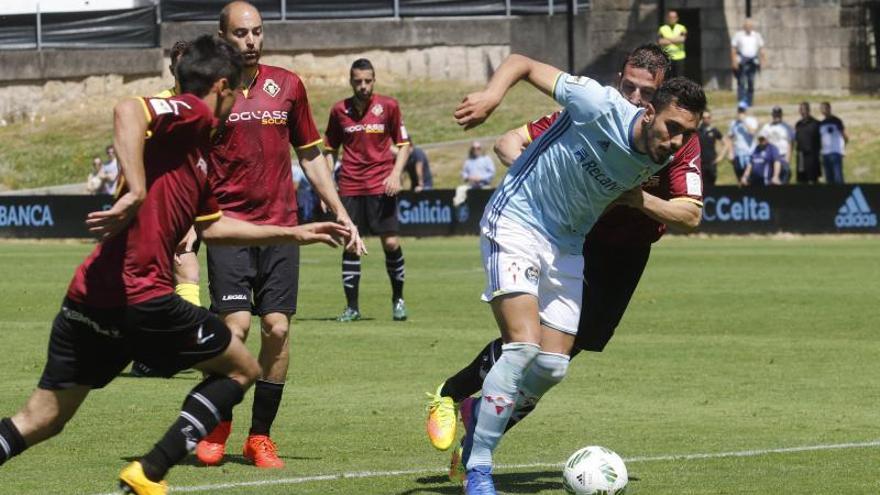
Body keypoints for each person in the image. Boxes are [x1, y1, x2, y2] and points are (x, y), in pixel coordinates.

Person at [0, 35, 351, 495]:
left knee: (42, 419)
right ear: (223, 87)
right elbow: (128, 109)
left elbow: (214, 226)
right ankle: (149, 471)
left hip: (89, 297)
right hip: (140, 296)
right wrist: (138, 189)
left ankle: (147, 472)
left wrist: (295, 232)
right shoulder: (193, 112)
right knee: (242, 368)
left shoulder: (199, 152)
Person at [426, 44, 704, 479]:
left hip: (579, 246)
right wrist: (491, 99)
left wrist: (637, 198)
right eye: (627, 86)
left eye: (643, 89)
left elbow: (691, 211)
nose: (676, 141)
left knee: (554, 364)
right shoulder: (594, 104)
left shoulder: (674, 147)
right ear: (649, 111)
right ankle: (476, 462)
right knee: (522, 346)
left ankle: (480, 415)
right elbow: (520, 75)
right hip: (521, 221)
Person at [196, 1, 363, 470]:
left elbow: (311, 155)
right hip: (228, 227)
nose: (251, 41)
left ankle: (259, 437)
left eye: (257, 32)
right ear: (222, 36)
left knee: (277, 327)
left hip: (282, 230)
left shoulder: (287, 85)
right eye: (241, 33)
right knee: (236, 327)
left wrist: (338, 209)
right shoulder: (209, 91)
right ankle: (218, 421)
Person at [130, 39, 200, 378]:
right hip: (157, 208)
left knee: (185, 273)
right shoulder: (159, 105)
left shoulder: (206, 107)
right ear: (173, 70)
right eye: (181, 67)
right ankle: (166, 350)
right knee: (167, 278)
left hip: (194, 206)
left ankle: (176, 348)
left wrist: (194, 220)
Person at [323, 58, 411, 323]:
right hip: (350, 185)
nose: (363, 86)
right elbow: (329, 150)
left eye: (367, 81)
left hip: (381, 185)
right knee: (351, 245)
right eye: (358, 81)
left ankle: (398, 300)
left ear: (374, 80)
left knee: (391, 243)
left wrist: (396, 174)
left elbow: (405, 144)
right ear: (351, 81)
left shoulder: (389, 106)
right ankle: (352, 308)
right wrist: (326, 186)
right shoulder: (339, 110)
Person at [730, 18, 765, 108]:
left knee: (751, 81)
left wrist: (762, 60)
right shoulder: (739, 35)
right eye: (747, 25)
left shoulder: (756, 35)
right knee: (741, 81)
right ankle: (741, 101)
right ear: (744, 26)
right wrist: (734, 61)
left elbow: (761, 49)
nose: (749, 27)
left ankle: (749, 102)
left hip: (753, 61)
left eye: (750, 26)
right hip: (742, 61)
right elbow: (733, 49)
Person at [759, 106, 794, 184]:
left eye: (778, 114)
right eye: (775, 114)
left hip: (782, 157)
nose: (776, 116)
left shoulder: (787, 127)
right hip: (770, 159)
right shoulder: (767, 127)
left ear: (781, 115)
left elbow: (790, 143)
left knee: (783, 181)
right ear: (772, 115)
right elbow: (761, 140)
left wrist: (787, 160)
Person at [819, 101, 848, 184]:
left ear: (829, 109)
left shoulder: (837, 121)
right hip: (825, 154)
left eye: (825, 108)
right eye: (821, 109)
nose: (823, 110)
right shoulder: (821, 123)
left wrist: (841, 149)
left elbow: (845, 137)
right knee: (829, 178)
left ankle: (842, 195)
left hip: (835, 153)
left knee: (838, 177)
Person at [794, 101, 822, 184]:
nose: (802, 111)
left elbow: (821, 140)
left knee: (813, 179)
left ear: (808, 110)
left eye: (804, 109)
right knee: (802, 179)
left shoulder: (816, 123)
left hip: (812, 156)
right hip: (801, 155)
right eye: (801, 109)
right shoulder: (798, 124)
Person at [727, 105, 757, 180]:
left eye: (742, 111)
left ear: (745, 112)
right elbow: (730, 138)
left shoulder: (751, 120)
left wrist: (744, 121)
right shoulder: (733, 123)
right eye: (739, 111)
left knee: (749, 179)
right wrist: (730, 152)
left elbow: (752, 133)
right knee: (740, 179)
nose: (740, 113)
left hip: (749, 154)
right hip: (738, 155)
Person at [697, 110, 727, 186]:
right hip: (700, 163)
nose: (706, 119)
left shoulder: (714, 131)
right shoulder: (697, 131)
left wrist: (720, 157)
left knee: (711, 184)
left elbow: (726, 143)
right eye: (704, 117)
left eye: (708, 117)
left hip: (711, 163)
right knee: (701, 185)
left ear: (710, 118)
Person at [657, 10, 687, 78]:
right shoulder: (662, 28)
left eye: (674, 17)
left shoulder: (682, 28)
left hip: (679, 57)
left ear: (677, 18)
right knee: (668, 77)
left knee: (679, 77)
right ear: (667, 18)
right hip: (667, 57)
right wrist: (675, 40)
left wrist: (667, 39)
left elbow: (682, 39)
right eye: (670, 17)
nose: (672, 19)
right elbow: (660, 41)